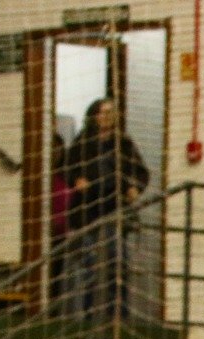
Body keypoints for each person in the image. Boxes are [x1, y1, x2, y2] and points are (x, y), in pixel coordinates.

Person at [62, 97, 149, 319]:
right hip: (87, 211)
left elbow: (141, 172)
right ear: (94, 116)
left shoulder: (123, 143)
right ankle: (89, 316)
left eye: (110, 112)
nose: (107, 116)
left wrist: (134, 187)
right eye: (102, 112)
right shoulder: (83, 142)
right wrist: (77, 180)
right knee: (90, 265)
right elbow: (67, 168)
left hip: (113, 209)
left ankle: (118, 315)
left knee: (116, 264)